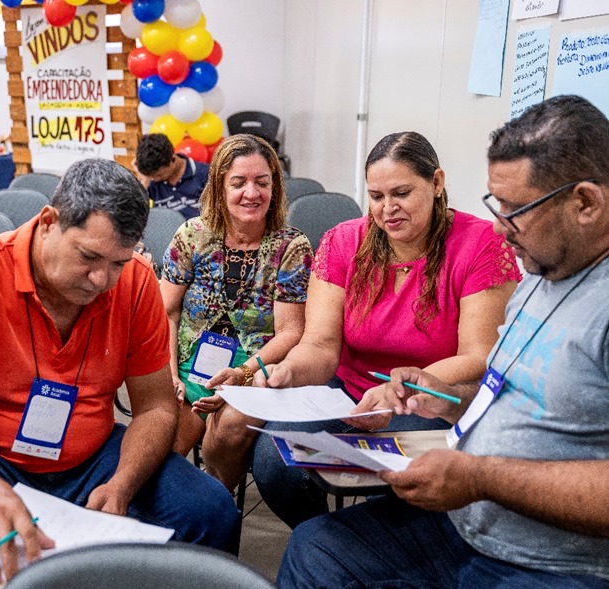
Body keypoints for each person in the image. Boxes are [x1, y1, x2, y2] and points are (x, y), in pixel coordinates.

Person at [278, 94, 609, 589]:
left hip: (552, 562)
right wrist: (448, 399)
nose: (501, 226)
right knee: (315, 549)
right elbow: (503, 395)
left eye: (517, 210)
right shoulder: (544, 277)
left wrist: (479, 477)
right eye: (496, 205)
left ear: (585, 203)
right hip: (465, 523)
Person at [0, 158, 241, 588]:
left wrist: (123, 484)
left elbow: (157, 407)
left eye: (118, 262)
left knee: (209, 509)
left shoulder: (135, 283)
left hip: (90, 455)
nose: (101, 279)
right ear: (49, 221)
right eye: (88, 256)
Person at [252, 131, 521, 528]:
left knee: (406, 476)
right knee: (274, 464)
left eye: (401, 193)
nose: (387, 209)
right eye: (376, 197)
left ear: (437, 182)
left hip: (426, 399)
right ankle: (328, 540)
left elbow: (478, 357)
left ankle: (371, 551)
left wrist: (401, 389)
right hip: (347, 394)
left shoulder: (479, 244)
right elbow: (320, 346)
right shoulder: (343, 242)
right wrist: (290, 371)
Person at [159, 134, 312, 491]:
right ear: (219, 187)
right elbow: (166, 311)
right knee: (161, 447)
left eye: (262, 182)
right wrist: (170, 377)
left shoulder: (291, 246)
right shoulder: (192, 236)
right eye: (239, 183)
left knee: (223, 436)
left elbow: (291, 332)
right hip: (184, 363)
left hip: (256, 367)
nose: (252, 193)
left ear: (274, 186)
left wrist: (242, 373)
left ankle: (216, 508)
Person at [135, 132, 210, 220]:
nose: (155, 180)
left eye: (159, 175)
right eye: (151, 176)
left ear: (173, 160)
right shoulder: (150, 182)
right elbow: (133, 214)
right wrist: (144, 182)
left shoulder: (205, 174)